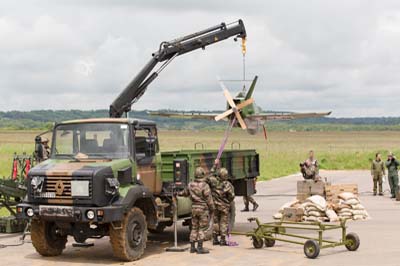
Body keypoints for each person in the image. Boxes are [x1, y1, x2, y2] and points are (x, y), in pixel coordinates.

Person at [180, 167, 214, 254]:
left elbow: (184, 193)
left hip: (194, 208)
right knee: (202, 228)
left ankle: (192, 247)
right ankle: (200, 247)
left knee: (194, 228)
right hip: (203, 209)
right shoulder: (205, 186)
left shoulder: (190, 184)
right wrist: (212, 209)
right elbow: (209, 199)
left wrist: (177, 193)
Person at [208, 167, 235, 246]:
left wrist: (213, 169)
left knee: (215, 222)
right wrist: (227, 201)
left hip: (215, 206)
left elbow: (209, 177)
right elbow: (231, 196)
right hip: (224, 206)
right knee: (223, 222)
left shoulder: (214, 182)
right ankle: (222, 240)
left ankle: (215, 239)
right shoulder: (228, 185)